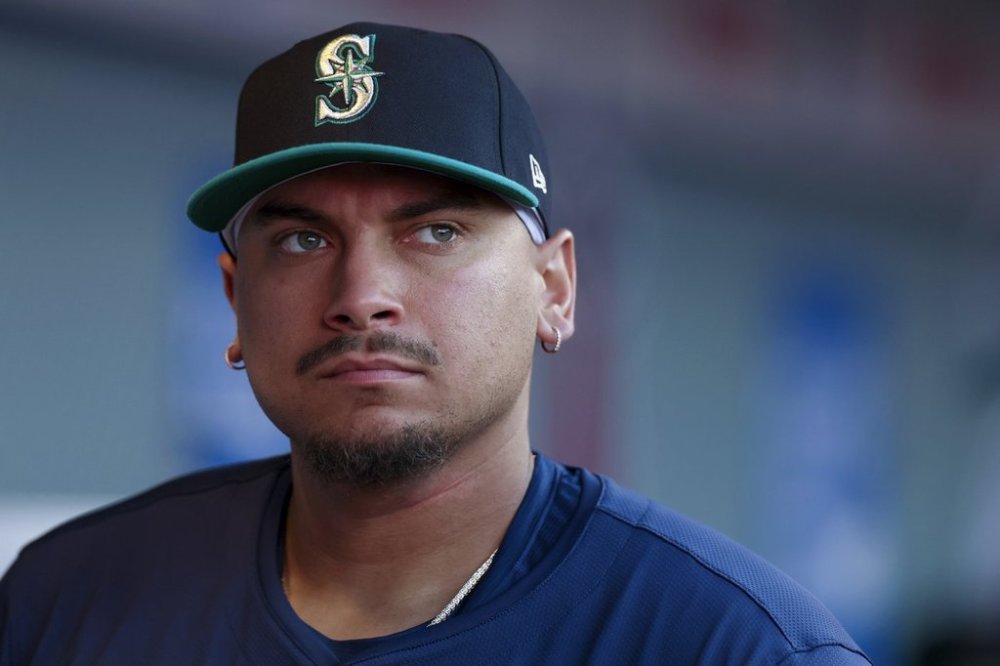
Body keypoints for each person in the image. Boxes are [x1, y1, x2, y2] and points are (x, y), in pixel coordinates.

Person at [0, 22, 871, 664]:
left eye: (436, 233)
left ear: (555, 289)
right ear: (233, 299)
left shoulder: (732, 646)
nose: (361, 297)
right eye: (303, 240)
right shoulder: (68, 601)